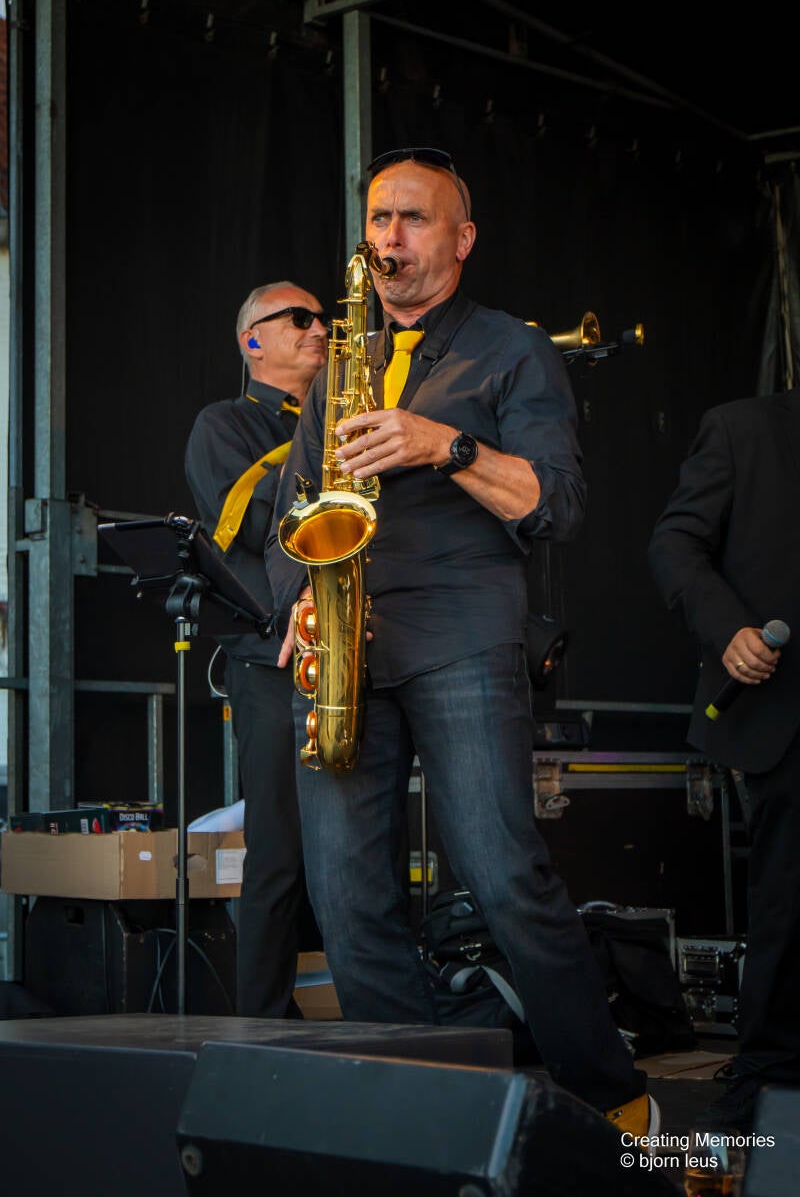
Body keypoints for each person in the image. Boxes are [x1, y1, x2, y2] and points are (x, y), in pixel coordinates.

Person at [266, 147, 658, 1135]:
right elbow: (292, 509)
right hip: (350, 643)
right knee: (347, 899)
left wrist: (442, 443)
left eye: (411, 218)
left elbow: (557, 503)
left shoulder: (512, 350)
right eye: (377, 219)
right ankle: (422, 1110)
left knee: (501, 874)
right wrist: (299, 603)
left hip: (460, 635)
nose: (388, 236)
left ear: (461, 238)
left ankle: (616, 1100)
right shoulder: (337, 367)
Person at [648, 387, 800, 1131]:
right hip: (787, 707)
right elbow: (674, 546)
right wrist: (731, 629)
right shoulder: (745, 429)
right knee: (789, 900)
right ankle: (769, 1085)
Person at [184, 281, 329, 1017]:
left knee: (362, 849)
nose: (319, 328)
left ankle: (381, 1025)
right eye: (299, 318)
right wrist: (326, 447)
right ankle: (263, 1026)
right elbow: (246, 518)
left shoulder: (342, 419)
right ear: (252, 341)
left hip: (350, 653)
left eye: (323, 318)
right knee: (277, 850)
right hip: (272, 657)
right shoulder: (224, 424)